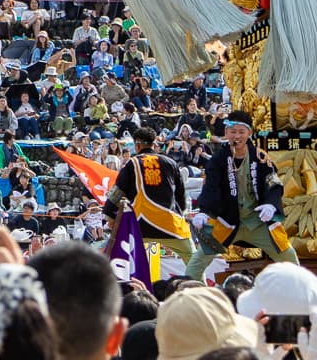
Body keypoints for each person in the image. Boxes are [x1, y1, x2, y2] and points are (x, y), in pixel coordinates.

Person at [186, 112, 299, 279]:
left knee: (288, 255)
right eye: (232, 131)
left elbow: (273, 183)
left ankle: (304, 293)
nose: (236, 136)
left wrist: (271, 204)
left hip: (258, 221)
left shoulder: (260, 157)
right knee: (198, 260)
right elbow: (211, 187)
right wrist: (204, 211)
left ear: (249, 133)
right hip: (227, 221)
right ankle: (189, 294)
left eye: (241, 131)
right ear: (226, 133)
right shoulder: (218, 159)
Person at [103, 126, 193, 266]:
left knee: (119, 260)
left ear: (137, 145)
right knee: (194, 260)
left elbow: (117, 193)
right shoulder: (170, 162)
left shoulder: (132, 164)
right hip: (170, 224)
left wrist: (109, 215)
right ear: (153, 143)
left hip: (140, 225)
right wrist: (180, 213)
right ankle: (201, 287)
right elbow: (181, 195)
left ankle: (123, 287)